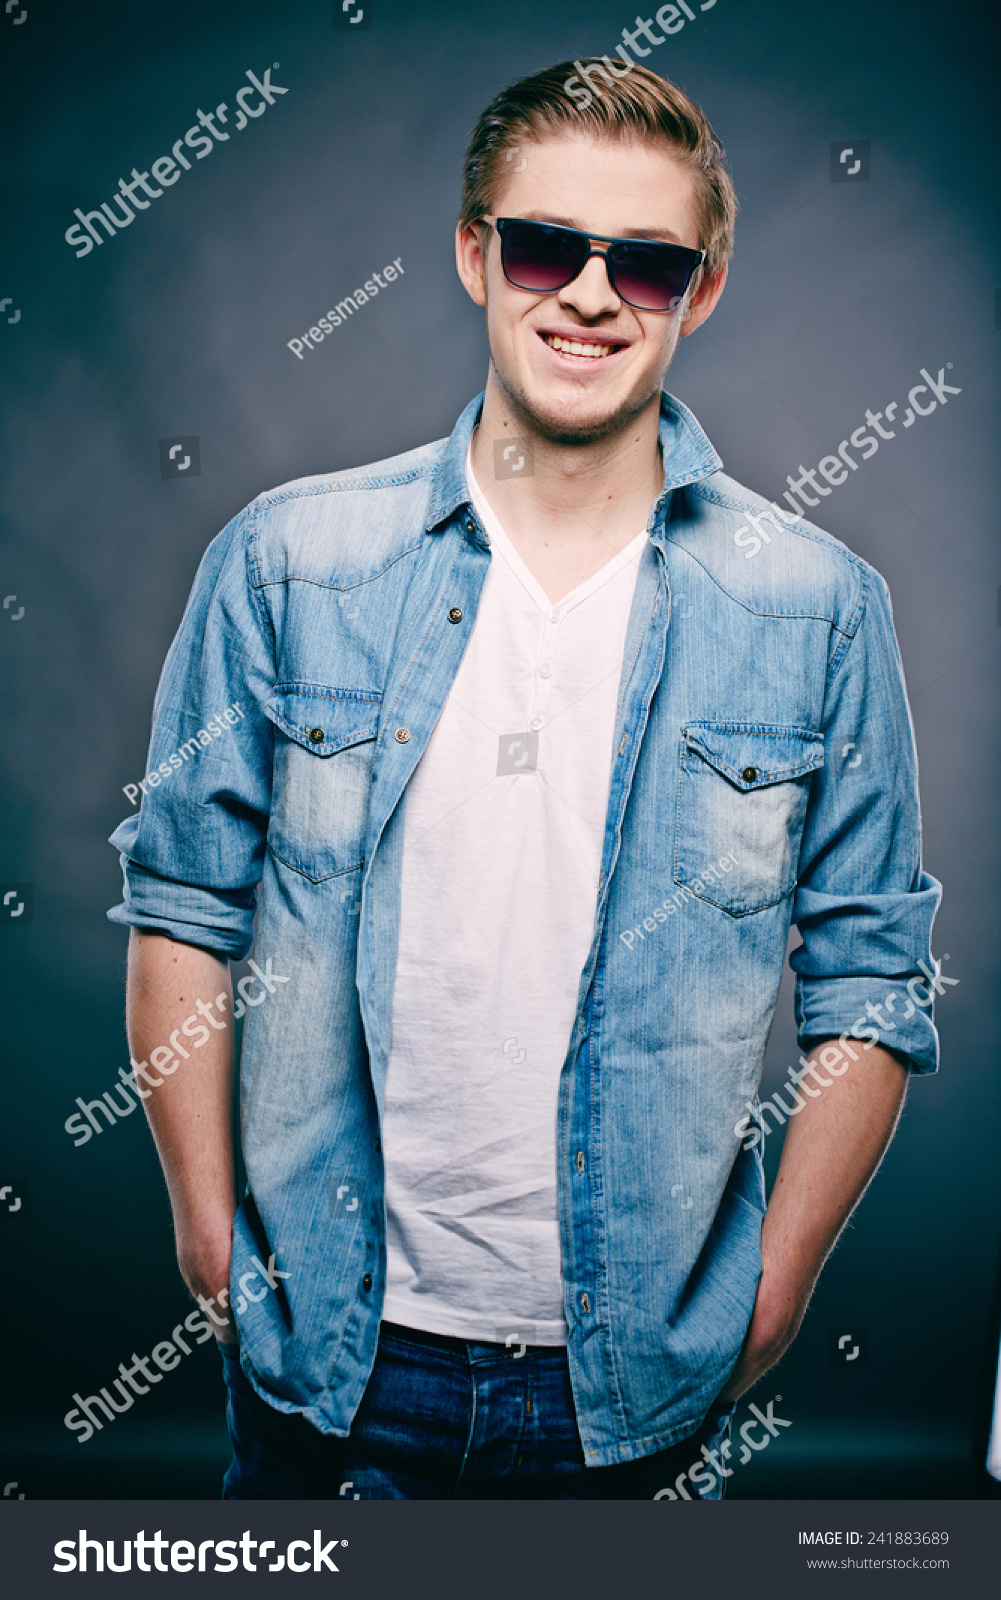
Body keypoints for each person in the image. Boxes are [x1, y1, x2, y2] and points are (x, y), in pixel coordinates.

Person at [109, 59, 941, 1500]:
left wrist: (776, 1283)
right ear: (474, 254)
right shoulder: (289, 562)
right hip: (335, 1358)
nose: (590, 296)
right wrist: (207, 1239)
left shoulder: (815, 606)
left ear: (704, 288)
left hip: (637, 1386)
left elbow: (871, 978)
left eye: (649, 263)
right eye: (547, 245)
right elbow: (184, 903)